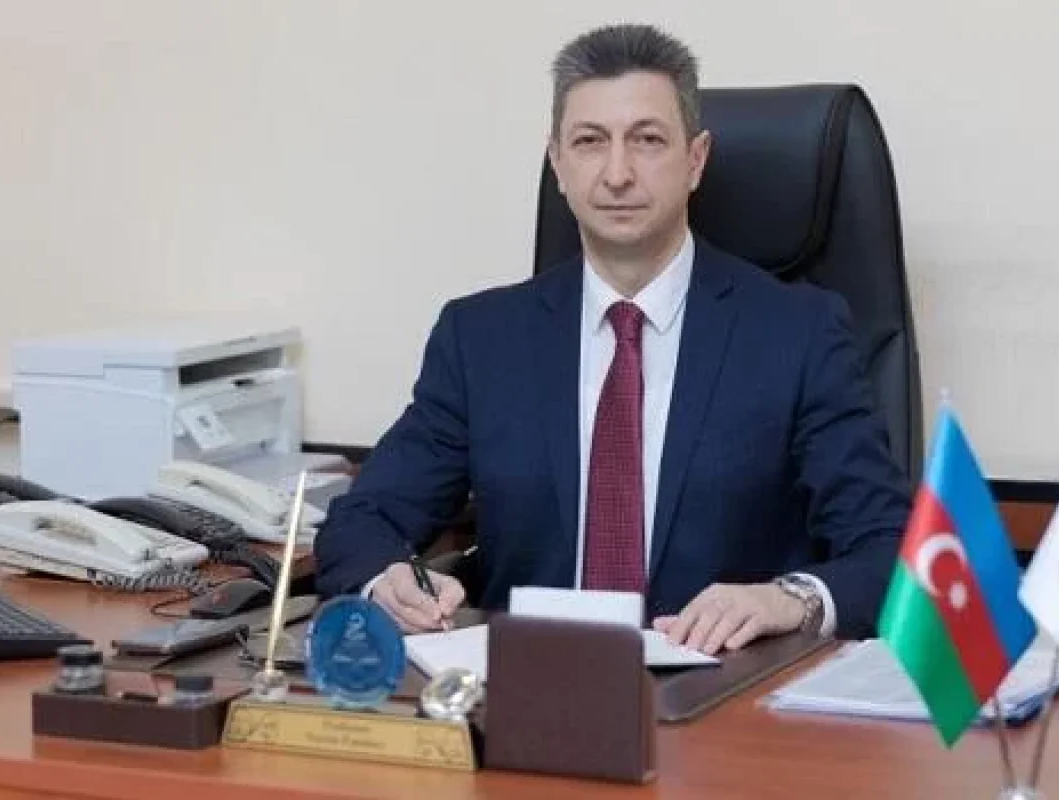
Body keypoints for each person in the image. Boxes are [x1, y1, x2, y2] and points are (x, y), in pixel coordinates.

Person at [313, 22, 911, 654]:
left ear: (696, 160)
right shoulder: (482, 339)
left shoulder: (798, 332)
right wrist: (388, 582)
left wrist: (787, 599)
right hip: (530, 686)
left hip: (723, 685)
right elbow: (362, 522)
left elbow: (890, 546)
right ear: (558, 163)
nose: (618, 173)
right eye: (590, 141)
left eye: (647, 140)